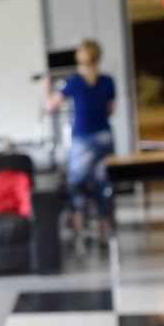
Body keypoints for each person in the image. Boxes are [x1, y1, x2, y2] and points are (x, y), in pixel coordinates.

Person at [44, 39, 115, 251]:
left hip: (82, 139)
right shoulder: (108, 81)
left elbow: (50, 106)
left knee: (77, 185)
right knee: (103, 188)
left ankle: (79, 235)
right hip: (104, 137)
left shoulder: (74, 82)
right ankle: (104, 237)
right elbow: (110, 111)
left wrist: (46, 84)